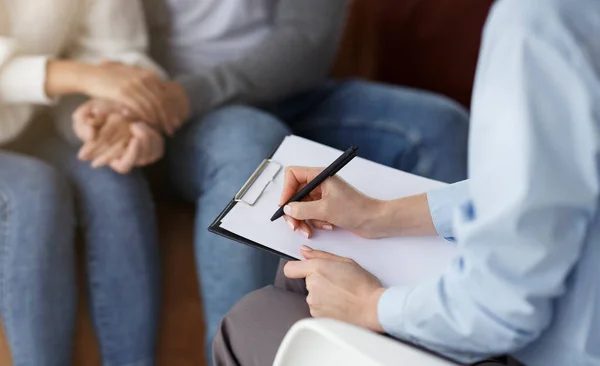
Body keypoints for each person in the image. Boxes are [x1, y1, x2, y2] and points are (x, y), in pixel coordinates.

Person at [68, 1, 469, 361]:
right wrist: (138, 107)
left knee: (439, 126)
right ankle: (231, 354)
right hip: (172, 116)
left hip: (284, 90)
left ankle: (428, 332)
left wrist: (183, 94)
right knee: (251, 142)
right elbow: (108, 45)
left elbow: (306, 43)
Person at [211, 0, 600, 365]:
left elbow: (503, 309)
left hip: (545, 347)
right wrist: (380, 214)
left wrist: (371, 305)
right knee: (292, 271)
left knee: (247, 322)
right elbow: (541, 183)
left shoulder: (543, 26)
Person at [0, 0, 178, 365]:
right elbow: (92, 72)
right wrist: (81, 76)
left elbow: (116, 54)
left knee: (114, 178)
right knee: (34, 190)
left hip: (30, 125)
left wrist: (117, 112)